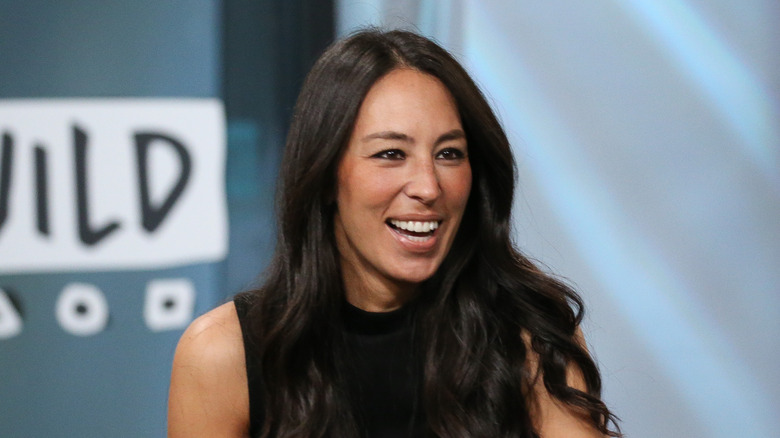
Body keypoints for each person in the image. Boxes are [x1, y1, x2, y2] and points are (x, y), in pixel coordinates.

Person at [168, 29, 621, 438]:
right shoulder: (222, 355)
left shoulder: (529, 332)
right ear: (326, 175)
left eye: (448, 154)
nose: (428, 186)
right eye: (390, 153)